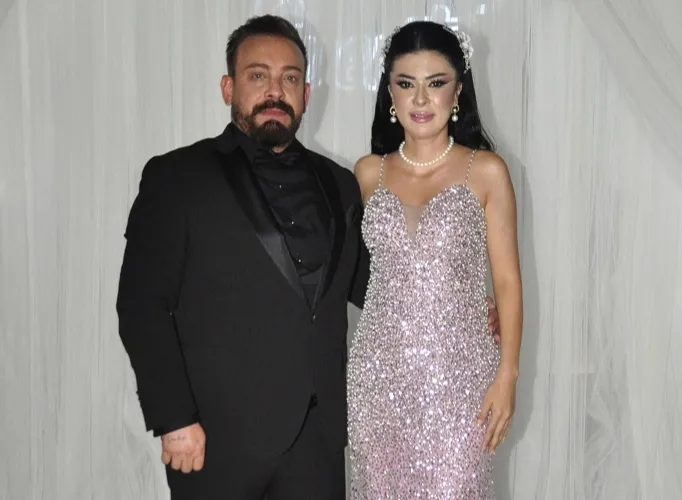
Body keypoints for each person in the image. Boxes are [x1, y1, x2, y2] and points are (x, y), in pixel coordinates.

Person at [116, 15, 500, 500]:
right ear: (228, 87)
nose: (275, 91)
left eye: (290, 78)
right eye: (258, 76)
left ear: (306, 94)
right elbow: (142, 306)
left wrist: (464, 306)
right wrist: (174, 419)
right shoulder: (178, 177)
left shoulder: (341, 182)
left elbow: (378, 280)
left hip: (318, 444)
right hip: (216, 439)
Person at [347, 21, 523, 499]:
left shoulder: (486, 171)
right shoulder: (367, 173)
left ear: (458, 90)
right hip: (377, 377)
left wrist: (507, 375)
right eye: (406, 83)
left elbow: (507, 281)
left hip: (461, 380)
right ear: (390, 93)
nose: (421, 99)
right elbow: (346, 272)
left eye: (436, 83)